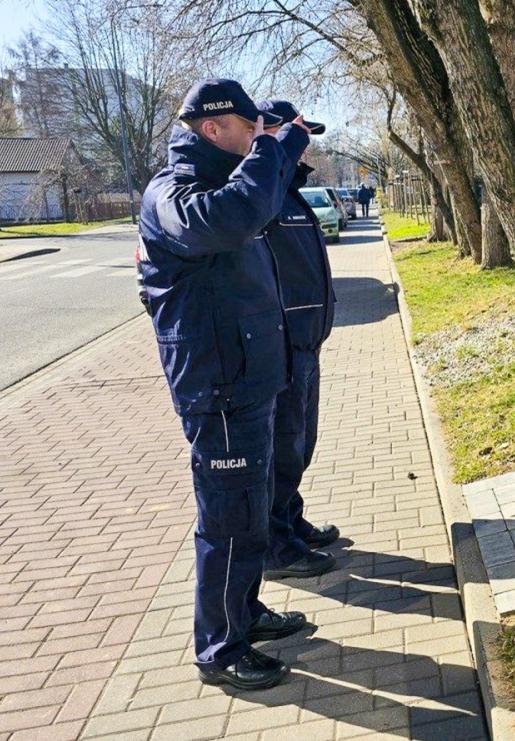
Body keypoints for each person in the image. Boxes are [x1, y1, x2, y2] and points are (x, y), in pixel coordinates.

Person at [137, 78, 312, 691]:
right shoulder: (174, 192)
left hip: (247, 378)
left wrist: (276, 150)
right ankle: (219, 649)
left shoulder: (226, 179)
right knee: (229, 521)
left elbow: (256, 207)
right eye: (250, 127)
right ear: (214, 129)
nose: (258, 136)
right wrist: (271, 149)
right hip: (218, 386)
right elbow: (231, 218)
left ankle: (246, 613)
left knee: (251, 514)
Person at [255, 99, 343, 581]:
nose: (304, 145)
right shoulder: (264, 191)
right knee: (282, 449)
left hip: (306, 344)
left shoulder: (288, 191)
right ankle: (276, 547)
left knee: (299, 445)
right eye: (296, 134)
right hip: (282, 348)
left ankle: (290, 521)